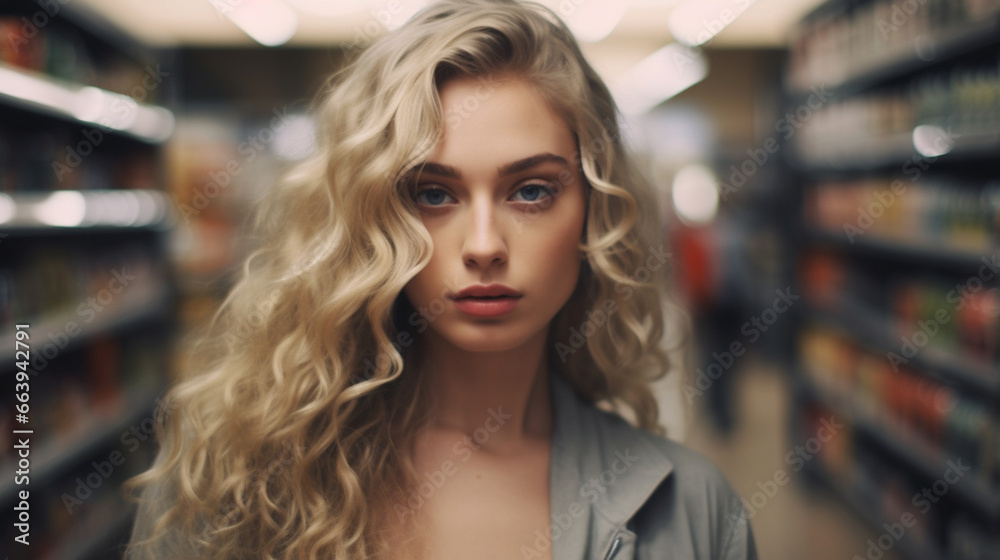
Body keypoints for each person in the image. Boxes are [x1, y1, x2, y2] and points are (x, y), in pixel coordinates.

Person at [123, 1, 758, 559]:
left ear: (595, 212)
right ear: (369, 216)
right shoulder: (232, 484)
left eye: (531, 191)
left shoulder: (696, 514)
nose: (484, 246)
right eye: (433, 194)